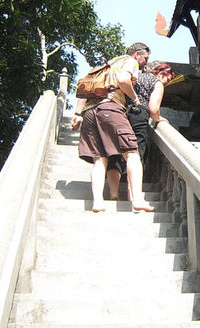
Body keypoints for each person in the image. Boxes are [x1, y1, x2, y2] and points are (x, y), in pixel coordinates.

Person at [71, 42, 155, 213]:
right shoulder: (129, 62)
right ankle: (138, 200)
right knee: (132, 153)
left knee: (99, 159)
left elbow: (84, 89)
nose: (145, 62)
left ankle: (98, 202)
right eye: (145, 58)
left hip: (89, 112)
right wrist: (136, 99)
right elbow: (123, 80)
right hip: (110, 107)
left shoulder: (105, 65)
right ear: (136, 54)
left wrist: (78, 114)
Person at [105, 62, 177, 199]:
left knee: (116, 152)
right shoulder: (156, 83)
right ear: (162, 72)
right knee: (136, 154)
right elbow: (154, 108)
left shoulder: (135, 77)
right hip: (138, 115)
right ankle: (132, 195)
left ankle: (113, 193)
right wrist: (159, 118)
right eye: (168, 78)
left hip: (121, 113)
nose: (167, 82)